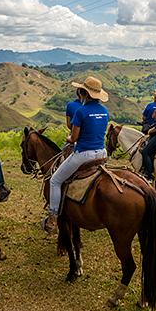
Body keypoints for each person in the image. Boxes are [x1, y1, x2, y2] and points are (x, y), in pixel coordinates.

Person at [43, 76, 109, 233]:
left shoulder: (81, 111)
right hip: (101, 153)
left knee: (55, 180)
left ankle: (53, 217)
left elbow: (74, 138)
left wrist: (68, 138)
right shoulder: (105, 111)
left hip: (84, 154)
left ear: (84, 93)